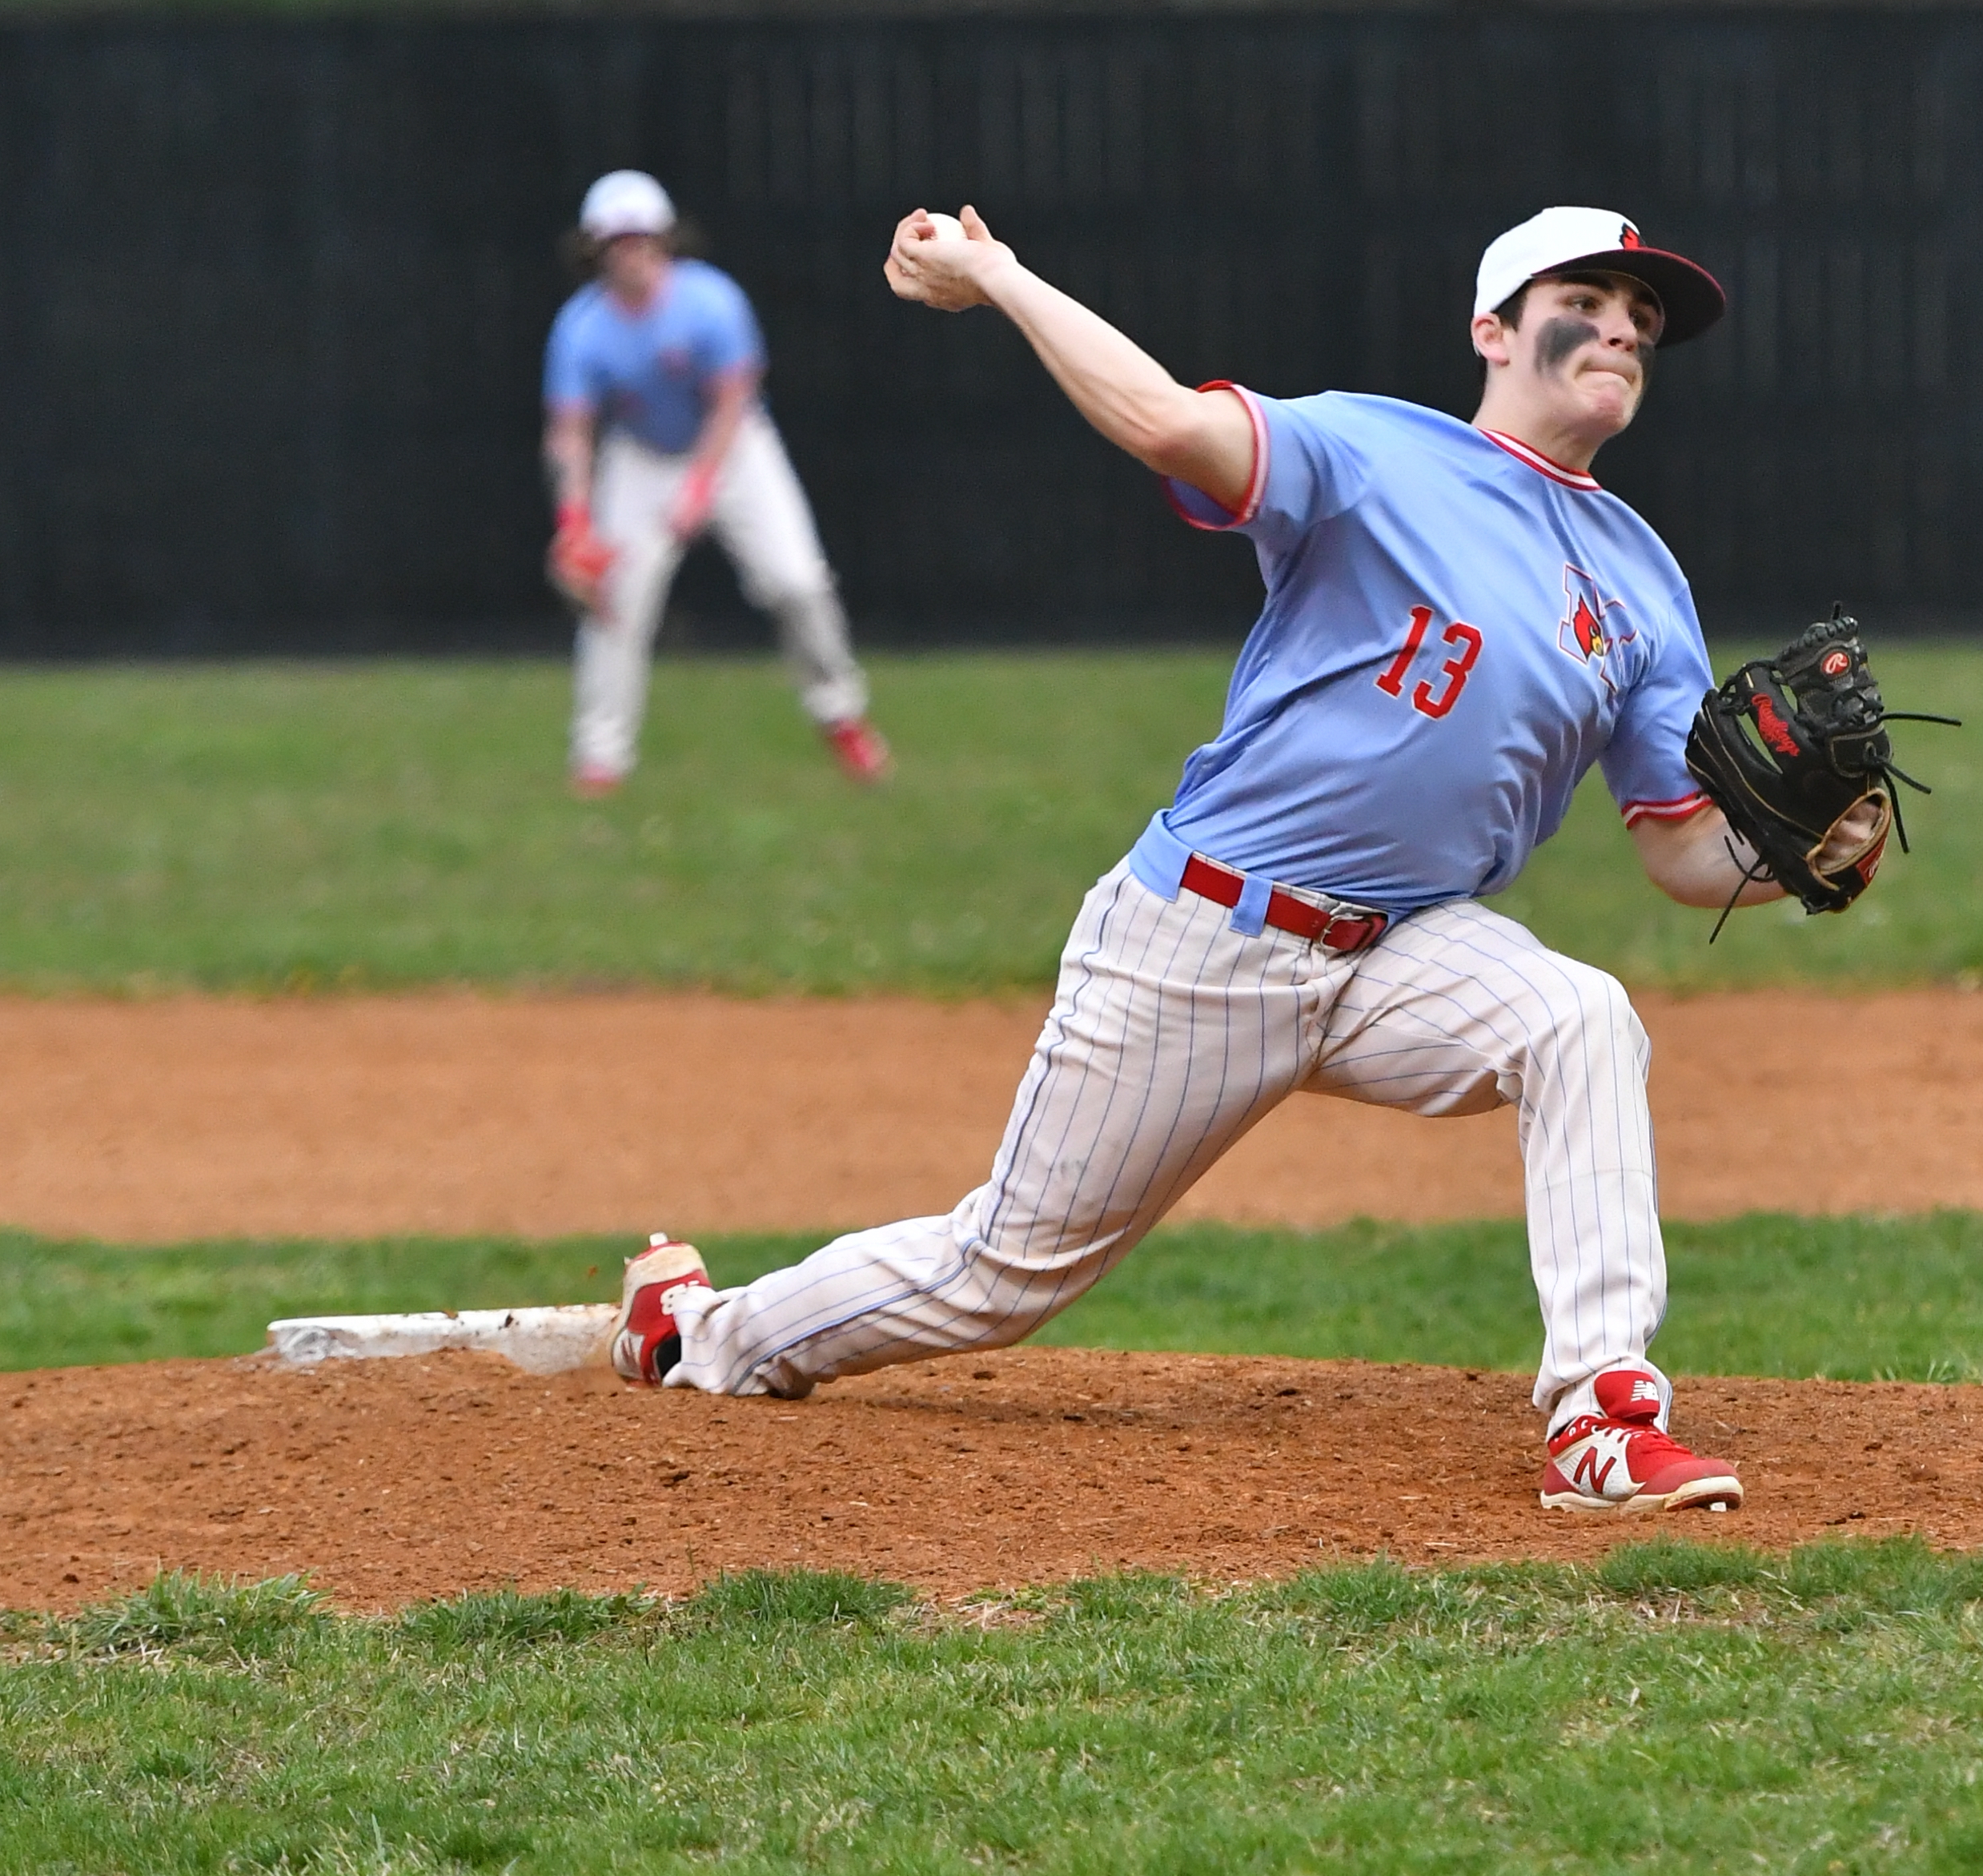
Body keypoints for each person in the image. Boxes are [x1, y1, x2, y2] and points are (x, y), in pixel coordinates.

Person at [609, 202, 1889, 1514]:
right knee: (997, 1275)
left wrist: (1801, 857)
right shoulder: (1370, 450)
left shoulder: (1641, 578)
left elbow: (1678, 844)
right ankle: (700, 1330)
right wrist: (997, 276)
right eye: (1587, 296)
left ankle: (1602, 1414)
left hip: (1404, 943)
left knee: (1579, 1020)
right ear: (1493, 331)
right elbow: (1167, 422)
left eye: (1646, 316)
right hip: (1207, 934)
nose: (1622, 323)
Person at [543, 170, 889, 794]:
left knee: (796, 583)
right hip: (642, 454)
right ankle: (599, 759)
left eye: (643, 237)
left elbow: (733, 399)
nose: (632, 252)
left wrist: (701, 487)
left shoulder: (709, 301)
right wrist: (574, 521)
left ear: (665, 239)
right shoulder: (582, 328)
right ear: (595, 249)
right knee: (614, 604)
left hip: (731, 448)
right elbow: (570, 431)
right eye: (618, 241)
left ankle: (842, 717)